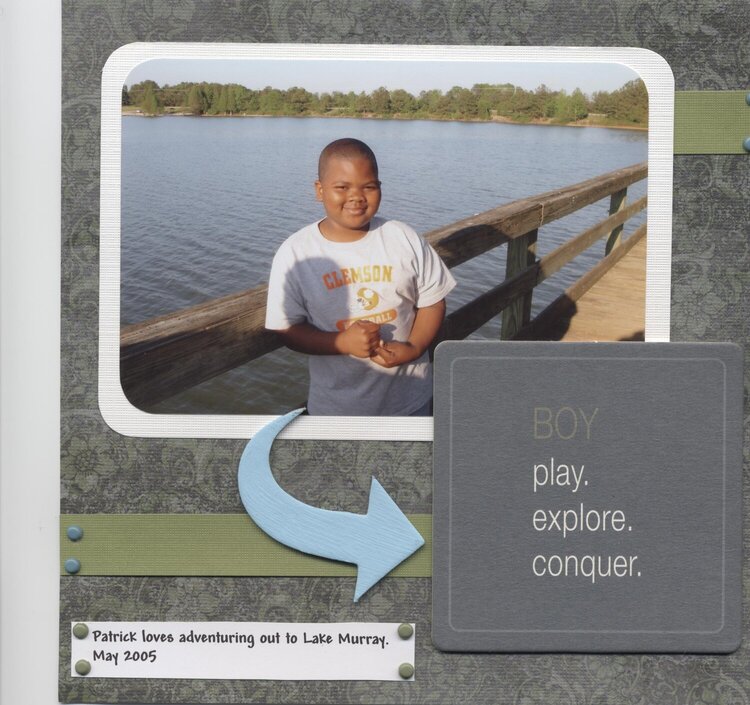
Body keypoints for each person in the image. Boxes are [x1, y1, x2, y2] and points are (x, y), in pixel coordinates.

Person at [264, 138, 455, 416]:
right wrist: (342, 342)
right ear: (319, 190)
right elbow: (286, 329)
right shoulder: (295, 252)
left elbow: (433, 301)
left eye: (368, 186)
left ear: (380, 188)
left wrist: (413, 347)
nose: (356, 197)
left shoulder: (403, 237)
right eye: (342, 187)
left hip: (410, 403)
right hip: (336, 410)